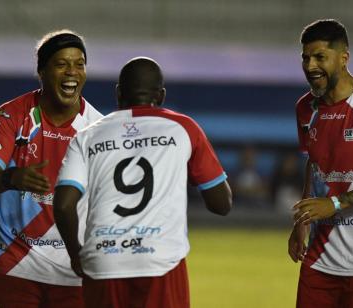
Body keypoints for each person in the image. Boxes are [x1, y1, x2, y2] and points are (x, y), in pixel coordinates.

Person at [53, 57, 232, 308]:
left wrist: (76, 254)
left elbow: (62, 205)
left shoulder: (86, 136)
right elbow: (221, 204)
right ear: (161, 96)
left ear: (118, 93)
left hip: (103, 261)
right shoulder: (183, 128)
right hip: (161, 261)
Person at [0, 30, 102, 308]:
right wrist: (12, 177)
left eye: (79, 64)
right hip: (14, 264)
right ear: (41, 71)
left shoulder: (97, 129)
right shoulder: (12, 115)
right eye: (61, 64)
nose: (72, 72)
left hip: (74, 269)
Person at [288, 19, 353, 308]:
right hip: (320, 261)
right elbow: (314, 164)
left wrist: (332, 205)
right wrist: (302, 222)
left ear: (344, 58)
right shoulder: (305, 108)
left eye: (320, 57)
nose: (310, 67)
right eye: (306, 58)